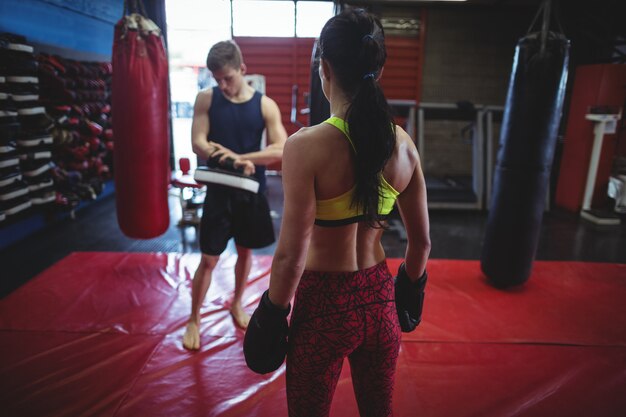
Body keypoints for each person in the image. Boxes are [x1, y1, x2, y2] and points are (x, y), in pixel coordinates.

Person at [243, 8, 431, 417]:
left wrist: (272, 314)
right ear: (377, 70)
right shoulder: (403, 144)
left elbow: (292, 255)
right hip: (379, 300)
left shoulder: (305, 146)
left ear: (324, 67)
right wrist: (409, 292)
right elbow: (422, 243)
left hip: (324, 306)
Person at [183, 40, 288, 350]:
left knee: (245, 253)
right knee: (209, 259)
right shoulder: (206, 98)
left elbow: (281, 149)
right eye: (217, 79)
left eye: (228, 78)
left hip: (249, 192)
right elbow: (198, 143)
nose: (223, 85)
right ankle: (193, 319)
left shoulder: (265, 105)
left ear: (242, 69)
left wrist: (246, 159)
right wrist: (231, 159)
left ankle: (237, 303)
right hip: (219, 190)